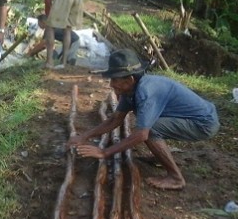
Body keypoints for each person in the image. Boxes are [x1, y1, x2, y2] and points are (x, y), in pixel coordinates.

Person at [67, 49, 220, 190]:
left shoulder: (146, 92)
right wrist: (84, 136)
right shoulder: (130, 91)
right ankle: (159, 156)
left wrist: (104, 152)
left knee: (150, 130)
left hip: (204, 123)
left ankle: (176, 178)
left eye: (115, 79)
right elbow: (115, 120)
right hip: (191, 117)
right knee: (147, 124)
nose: (111, 84)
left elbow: (142, 135)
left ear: (130, 79)